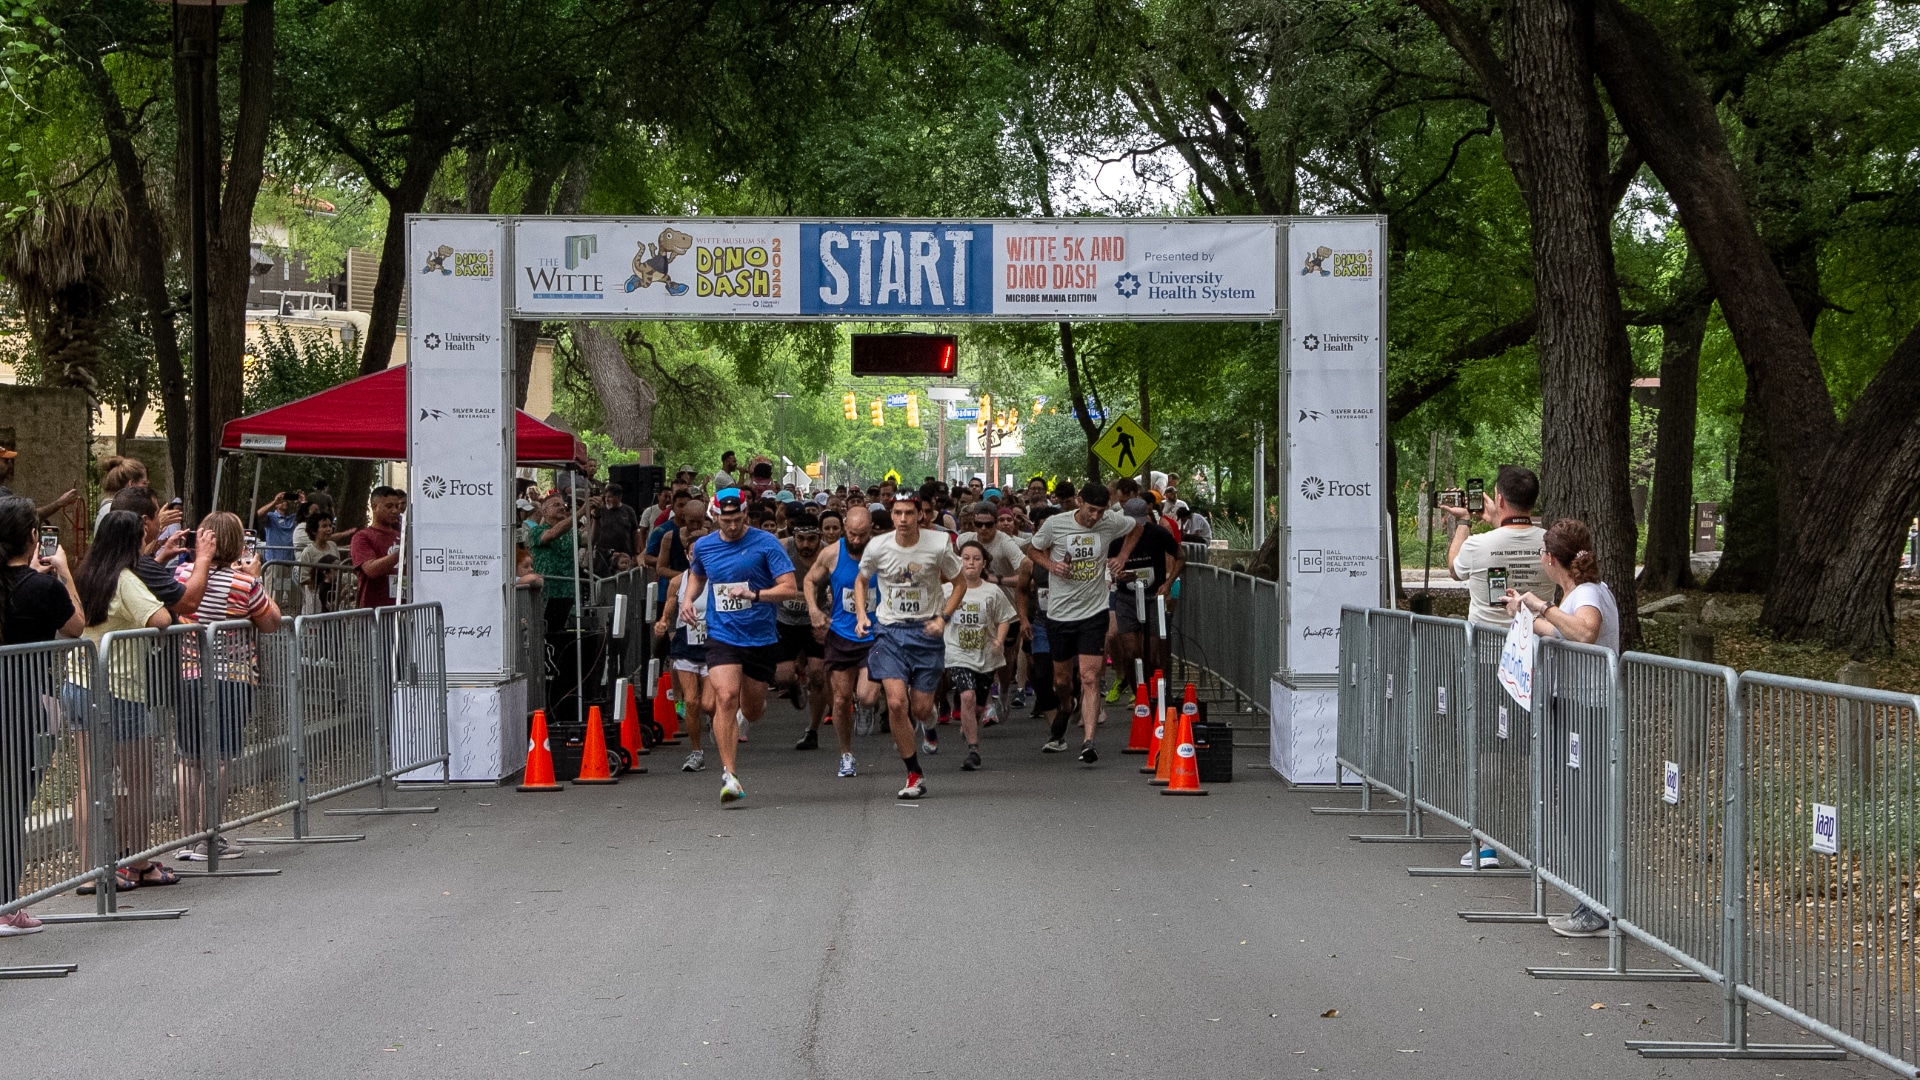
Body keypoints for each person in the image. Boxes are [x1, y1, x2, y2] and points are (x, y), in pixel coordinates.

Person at [72, 511, 206, 894]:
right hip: (120, 688)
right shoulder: (126, 579)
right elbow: (162, 617)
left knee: (88, 783)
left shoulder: (86, 574)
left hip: (78, 682)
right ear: (132, 542)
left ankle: (89, 871)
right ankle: (138, 862)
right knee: (139, 781)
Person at [1504, 517, 1619, 937]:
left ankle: (1597, 907)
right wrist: (1524, 613)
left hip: (1587, 708)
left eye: (1542, 554)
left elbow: (1585, 632)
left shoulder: (1587, 593)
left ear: (1552, 559)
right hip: (1572, 705)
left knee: (1583, 805)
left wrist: (1544, 607)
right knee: (1573, 804)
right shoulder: (1576, 592)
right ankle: (1590, 901)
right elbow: (1557, 631)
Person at [170, 511, 281, 862]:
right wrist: (257, 578)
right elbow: (271, 622)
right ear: (235, 543)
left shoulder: (182, 574)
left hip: (187, 674)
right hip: (232, 678)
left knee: (188, 757)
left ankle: (186, 838)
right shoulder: (243, 585)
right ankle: (211, 836)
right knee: (218, 758)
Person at [679, 488, 799, 804]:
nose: (731, 526)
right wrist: (688, 599)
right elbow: (697, 575)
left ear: (745, 513)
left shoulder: (766, 543)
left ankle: (749, 713)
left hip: (760, 636)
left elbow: (789, 588)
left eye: (736, 519)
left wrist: (755, 596)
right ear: (714, 516)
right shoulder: (704, 546)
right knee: (726, 696)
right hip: (723, 635)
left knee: (752, 709)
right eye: (724, 519)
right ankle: (729, 775)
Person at [0, 496, 82, 935]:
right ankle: (7, 904)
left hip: (19, 703)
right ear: (34, 537)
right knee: (13, 807)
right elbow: (77, 626)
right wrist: (64, 572)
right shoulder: (42, 588)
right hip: (27, 705)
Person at [854, 491, 965, 800]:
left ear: (920, 516)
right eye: (897, 513)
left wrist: (943, 617)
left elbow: (960, 584)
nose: (902, 519)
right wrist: (862, 615)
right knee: (896, 703)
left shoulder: (939, 544)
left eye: (908, 513)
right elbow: (861, 581)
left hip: (927, 632)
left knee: (920, 707)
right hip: (889, 632)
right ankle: (914, 772)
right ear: (892, 516)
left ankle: (928, 723)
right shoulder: (878, 546)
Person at [1026, 482, 1143, 762]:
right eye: (1091, 510)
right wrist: (1052, 566)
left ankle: (1088, 742)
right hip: (1060, 613)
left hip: (1094, 611)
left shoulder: (1110, 522)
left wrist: (1123, 556)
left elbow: (1138, 525)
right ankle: (1067, 705)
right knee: (1062, 680)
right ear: (1079, 502)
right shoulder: (1056, 524)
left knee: (1090, 677)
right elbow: (1032, 549)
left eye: (1101, 511)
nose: (1095, 517)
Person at [805, 506, 881, 778]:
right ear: (845, 527)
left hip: (874, 635)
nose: (857, 540)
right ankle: (846, 754)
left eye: (862, 535)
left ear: (871, 529)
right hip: (841, 634)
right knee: (839, 700)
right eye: (852, 533)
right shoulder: (831, 553)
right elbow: (809, 580)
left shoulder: (882, 551)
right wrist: (814, 610)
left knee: (867, 695)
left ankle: (867, 707)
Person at [1445, 465, 1548, 627]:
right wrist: (1495, 519)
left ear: (1500, 500)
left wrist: (1464, 520)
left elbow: (1454, 571)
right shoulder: (1552, 543)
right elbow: (1515, 538)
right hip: (1536, 647)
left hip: (1486, 648)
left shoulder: (1476, 545)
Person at [944, 541, 1015, 772]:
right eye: (965, 558)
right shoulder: (947, 591)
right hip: (957, 652)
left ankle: (969, 722)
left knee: (976, 704)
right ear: (959, 561)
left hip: (985, 655)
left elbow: (1004, 618)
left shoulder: (992, 591)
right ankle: (973, 750)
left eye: (976, 558)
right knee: (967, 695)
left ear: (984, 563)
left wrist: (999, 640)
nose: (970, 563)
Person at [653, 516, 716, 773]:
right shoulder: (679, 581)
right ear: (689, 556)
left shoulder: (720, 578)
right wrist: (663, 621)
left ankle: (722, 721)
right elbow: (670, 603)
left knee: (709, 704)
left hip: (714, 646)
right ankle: (696, 752)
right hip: (686, 644)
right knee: (691, 701)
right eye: (693, 553)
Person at [955, 502, 1028, 719]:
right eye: (979, 524)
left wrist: (996, 579)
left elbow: (1025, 576)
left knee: (1003, 657)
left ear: (996, 523)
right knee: (981, 653)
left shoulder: (1006, 544)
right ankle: (986, 703)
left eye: (988, 525)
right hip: (977, 607)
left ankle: (1004, 692)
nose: (983, 529)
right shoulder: (963, 541)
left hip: (1007, 609)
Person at [1107, 497, 1183, 696]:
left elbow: (1181, 556)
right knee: (1131, 652)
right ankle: (1137, 693)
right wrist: (1118, 576)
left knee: (1152, 653)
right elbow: (1108, 566)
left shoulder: (1157, 534)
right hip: (1126, 597)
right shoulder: (1116, 538)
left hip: (1153, 596)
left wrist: (1168, 584)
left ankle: (1153, 693)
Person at [777, 510, 830, 748]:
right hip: (785, 620)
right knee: (782, 676)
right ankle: (795, 683)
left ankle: (813, 731)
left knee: (819, 676)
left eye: (811, 539)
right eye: (801, 539)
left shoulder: (829, 554)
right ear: (793, 536)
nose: (806, 545)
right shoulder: (781, 549)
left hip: (815, 620)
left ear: (819, 537)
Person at [525, 494, 586, 630]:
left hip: (568, 592)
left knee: (562, 635)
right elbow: (552, 534)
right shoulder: (536, 531)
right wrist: (581, 512)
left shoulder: (571, 533)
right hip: (546, 593)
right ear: (545, 512)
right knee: (543, 632)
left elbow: (590, 539)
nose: (562, 507)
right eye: (556, 505)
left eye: (563, 504)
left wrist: (596, 517)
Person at [351, 486, 406, 608]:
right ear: (374, 507)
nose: (395, 511)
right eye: (389, 506)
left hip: (403, 610)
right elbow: (371, 570)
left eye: (397, 506)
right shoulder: (362, 537)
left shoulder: (401, 536)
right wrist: (403, 551)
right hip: (374, 610)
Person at [0, 445, 78, 523]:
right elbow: (27, 517)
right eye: (6, 461)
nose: (10, 465)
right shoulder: (2, 495)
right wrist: (60, 502)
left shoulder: (4, 491)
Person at [295, 512, 346, 614]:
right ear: (314, 530)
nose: (329, 529)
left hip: (332, 596)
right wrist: (321, 579)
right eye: (324, 526)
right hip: (315, 598)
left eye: (330, 526)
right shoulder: (308, 552)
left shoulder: (333, 546)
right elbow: (303, 579)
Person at [590, 482, 643, 576]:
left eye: (610, 497)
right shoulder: (600, 511)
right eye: (605, 497)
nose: (606, 500)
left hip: (624, 554)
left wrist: (637, 553)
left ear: (619, 497)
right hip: (603, 556)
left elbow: (635, 532)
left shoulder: (628, 511)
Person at [94, 456, 147, 530]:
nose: (146, 488)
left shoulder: (115, 507)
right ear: (131, 484)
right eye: (144, 483)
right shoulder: (113, 510)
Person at [254, 490, 303, 565]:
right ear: (276, 505)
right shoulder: (271, 517)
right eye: (282, 501)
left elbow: (309, 516)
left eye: (286, 501)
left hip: (290, 561)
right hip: (273, 562)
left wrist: (303, 502)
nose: (285, 502)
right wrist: (274, 501)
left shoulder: (293, 518)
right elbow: (258, 515)